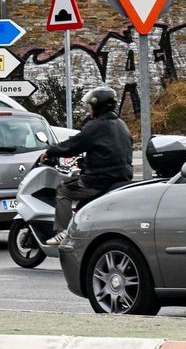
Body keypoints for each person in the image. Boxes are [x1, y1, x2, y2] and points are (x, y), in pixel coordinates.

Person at [42, 85, 133, 247]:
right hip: (121, 177)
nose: (89, 109)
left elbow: (72, 145)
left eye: (90, 105)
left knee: (63, 190)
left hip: (99, 180)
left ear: (98, 106)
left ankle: (63, 232)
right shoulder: (121, 125)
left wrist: (50, 152)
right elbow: (109, 151)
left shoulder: (96, 126)